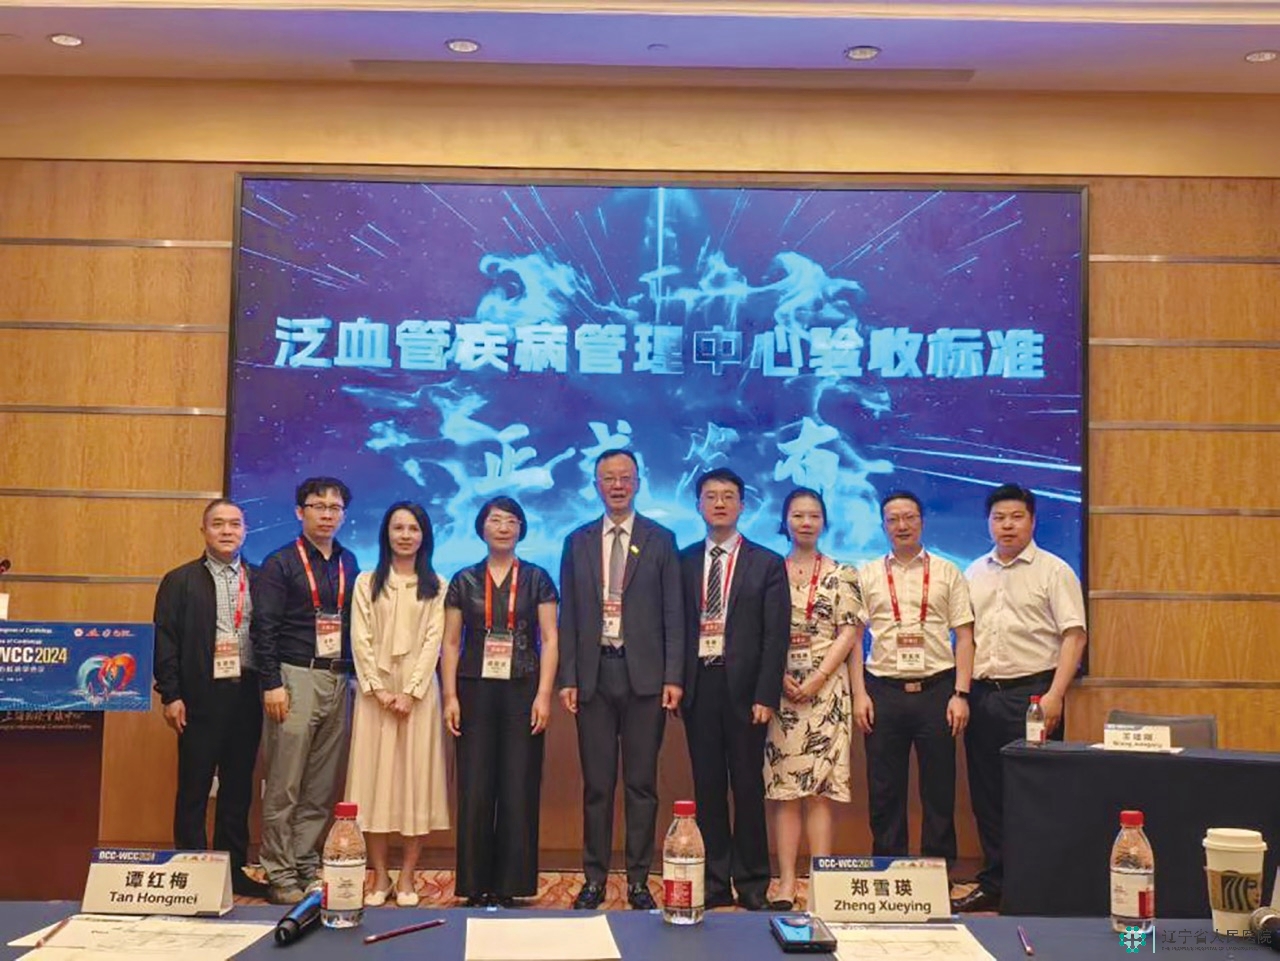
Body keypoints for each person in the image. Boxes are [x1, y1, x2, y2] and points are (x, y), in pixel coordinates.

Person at [557, 449, 684, 911]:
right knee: (597, 784)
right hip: (594, 675)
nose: (616, 485)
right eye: (608, 478)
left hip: (645, 677)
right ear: (596, 485)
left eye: (624, 477)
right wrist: (568, 677)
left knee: (641, 784)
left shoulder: (660, 539)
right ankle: (593, 878)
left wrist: (673, 675)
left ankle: (637, 880)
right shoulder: (578, 541)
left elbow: (674, 612)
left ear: (637, 483)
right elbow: (570, 615)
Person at [953, 483, 1087, 914]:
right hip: (982, 696)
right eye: (999, 518)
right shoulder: (974, 571)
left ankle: (1036, 886)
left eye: (1016, 517)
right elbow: (965, 638)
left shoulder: (1054, 571)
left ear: (1032, 520)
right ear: (988, 523)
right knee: (987, 796)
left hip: (1033, 697)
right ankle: (995, 883)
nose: (1007, 526)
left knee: (1034, 793)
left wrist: (1055, 695)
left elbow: (1074, 636)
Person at [679, 467, 790, 911]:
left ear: (743, 505)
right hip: (699, 685)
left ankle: (752, 882)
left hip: (747, 692)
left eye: (728, 496)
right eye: (711, 496)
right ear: (699, 505)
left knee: (747, 786)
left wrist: (766, 694)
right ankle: (713, 881)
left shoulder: (767, 562)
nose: (720, 503)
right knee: (707, 788)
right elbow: (675, 627)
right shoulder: (684, 560)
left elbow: (775, 636)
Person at [442, 496, 559, 908]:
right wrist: (450, 696)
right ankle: (474, 884)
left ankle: (512, 884)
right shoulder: (463, 580)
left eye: (512, 521)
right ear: (482, 527)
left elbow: (551, 639)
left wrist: (544, 694)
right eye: (496, 520)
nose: (504, 527)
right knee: (475, 786)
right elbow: (451, 643)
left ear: (521, 529)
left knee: (518, 784)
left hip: (523, 688)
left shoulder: (538, 578)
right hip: (474, 690)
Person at [251, 477, 360, 905]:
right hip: (294, 677)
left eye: (335, 508)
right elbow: (264, 629)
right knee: (285, 783)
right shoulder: (280, 563)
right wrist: (271, 683)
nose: (327, 515)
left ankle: (304, 862)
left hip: (337, 677)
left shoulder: (349, 562)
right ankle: (279, 871)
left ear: (343, 515)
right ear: (300, 512)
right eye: (318, 506)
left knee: (320, 784)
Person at [152, 498, 268, 898]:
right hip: (200, 694)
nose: (227, 531)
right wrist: (171, 694)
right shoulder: (180, 580)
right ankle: (190, 871)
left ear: (245, 531)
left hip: (246, 693)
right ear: (204, 531)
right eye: (218, 524)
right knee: (194, 786)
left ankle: (232, 870)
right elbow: (166, 640)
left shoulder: (259, 579)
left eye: (234, 524)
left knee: (238, 788)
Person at [853, 490, 974, 868]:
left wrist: (961, 693)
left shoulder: (947, 571)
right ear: (883, 525)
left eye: (909, 517)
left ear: (922, 521)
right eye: (893, 519)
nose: (902, 525)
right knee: (884, 789)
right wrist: (859, 694)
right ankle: (888, 871)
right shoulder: (867, 573)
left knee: (939, 789)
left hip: (937, 689)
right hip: (882, 689)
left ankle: (939, 874)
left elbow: (965, 636)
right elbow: (854, 638)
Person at [345, 501, 449, 908]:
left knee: (414, 784)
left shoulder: (437, 585)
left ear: (425, 536)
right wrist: (378, 689)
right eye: (398, 528)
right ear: (386, 534)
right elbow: (360, 639)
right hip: (375, 698)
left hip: (418, 697)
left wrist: (411, 691)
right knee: (373, 783)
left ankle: (407, 876)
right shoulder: (366, 582)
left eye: (413, 528)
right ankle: (379, 875)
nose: (405, 535)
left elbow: (434, 641)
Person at [765, 488, 863, 910]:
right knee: (785, 791)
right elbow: (760, 631)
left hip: (827, 692)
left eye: (814, 516)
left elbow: (850, 631)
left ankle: (822, 882)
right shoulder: (771, 570)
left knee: (820, 791)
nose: (806, 523)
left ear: (824, 522)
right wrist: (779, 675)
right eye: (798, 515)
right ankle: (787, 881)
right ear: (785, 521)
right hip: (782, 692)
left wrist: (820, 677)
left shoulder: (843, 573)